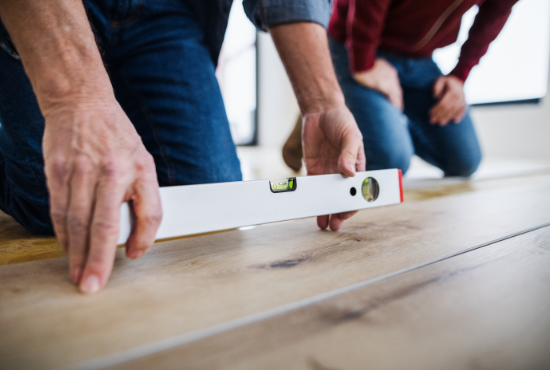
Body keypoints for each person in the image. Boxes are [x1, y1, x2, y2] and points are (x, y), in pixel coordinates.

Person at [0, 0, 365, 294]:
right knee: (60, 199)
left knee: (208, 202)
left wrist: (322, 102)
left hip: (169, 11)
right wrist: (78, 100)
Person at [283, 0, 518, 176]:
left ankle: (350, 105)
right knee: (391, 163)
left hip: (420, 59)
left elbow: (496, 12)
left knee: (465, 161)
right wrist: (365, 64)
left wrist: (459, 76)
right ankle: (327, 102)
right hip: (353, 43)